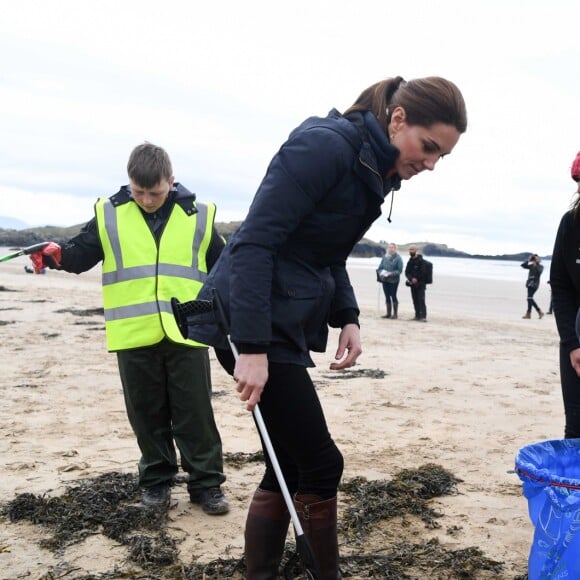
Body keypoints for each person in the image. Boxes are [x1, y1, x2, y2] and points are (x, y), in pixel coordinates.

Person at [186, 76, 467, 578]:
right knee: (321, 463)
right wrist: (251, 346)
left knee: (288, 464)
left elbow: (329, 251)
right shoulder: (324, 146)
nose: (430, 164)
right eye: (428, 148)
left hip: (284, 317)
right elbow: (253, 243)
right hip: (250, 317)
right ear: (397, 119)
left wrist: (348, 316)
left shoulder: (374, 168)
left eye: (441, 156)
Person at [29, 143, 229, 514]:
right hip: (132, 333)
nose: (147, 199)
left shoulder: (199, 216)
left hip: (187, 331)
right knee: (146, 413)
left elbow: (223, 268)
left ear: (171, 181)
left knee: (195, 412)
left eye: (155, 192)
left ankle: (207, 485)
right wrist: (56, 255)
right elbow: (78, 256)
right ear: (129, 182)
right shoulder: (109, 214)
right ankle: (156, 482)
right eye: (139, 192)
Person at [550, 150, 580, 438]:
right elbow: (560, 285)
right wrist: (572, 344)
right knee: (577, 425)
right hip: (576, 339)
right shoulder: (570, 224)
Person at [376, 242, 404, 319]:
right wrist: (381, 273)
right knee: (387, 296)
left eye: (392, 247)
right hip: (385, 280)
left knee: (393, 295)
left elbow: (399, 270)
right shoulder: (384, 257)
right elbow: (379, 268)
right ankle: (388, 313)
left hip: (394, 281)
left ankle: (395, 314)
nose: (390, 249)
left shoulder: (398, 258)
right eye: (389, 247)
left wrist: (391, 273)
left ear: (395, 249)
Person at [404, 244, 428, 321]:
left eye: (412, 249)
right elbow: (407, 272)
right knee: (415, 300)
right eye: (410, 250)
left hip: (421, 284)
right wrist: (411, 278)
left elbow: (423, 272)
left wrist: (416, 278)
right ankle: (417, 315)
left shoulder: (421, 261)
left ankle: (423, 316)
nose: (411, 251)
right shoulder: (410, 261)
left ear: (416, 250)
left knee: (421, 300)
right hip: (412, 284)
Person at [521, 254, 544, 319]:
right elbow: (523, 265)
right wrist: (528, 260)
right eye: (534, 259)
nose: (535, 260)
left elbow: (539, 272)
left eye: (536, 259)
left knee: (529, 298)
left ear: (539, 260)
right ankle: (529, 314)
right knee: (529, 298)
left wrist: (535, 265)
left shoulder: (541, 266)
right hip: (529, 284)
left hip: (535, 284)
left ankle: (539, 312)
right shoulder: (531, 266)